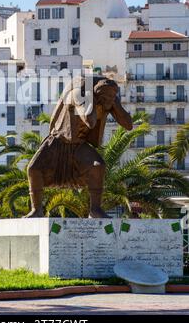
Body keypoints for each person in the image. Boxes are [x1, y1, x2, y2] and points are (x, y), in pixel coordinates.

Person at [24, 76, 133, 218]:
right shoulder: (78, 94)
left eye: (112, 97)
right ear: (96, 94)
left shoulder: (108, 98)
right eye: (106, 98)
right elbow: (90, 121)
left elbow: (128, 125)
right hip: (58, 140)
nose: (109, 101)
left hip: (79, 144)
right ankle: (36, 209)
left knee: (98, 166)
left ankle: (95, 210)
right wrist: (94, 101)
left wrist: (115, 104)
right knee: (33, 169)